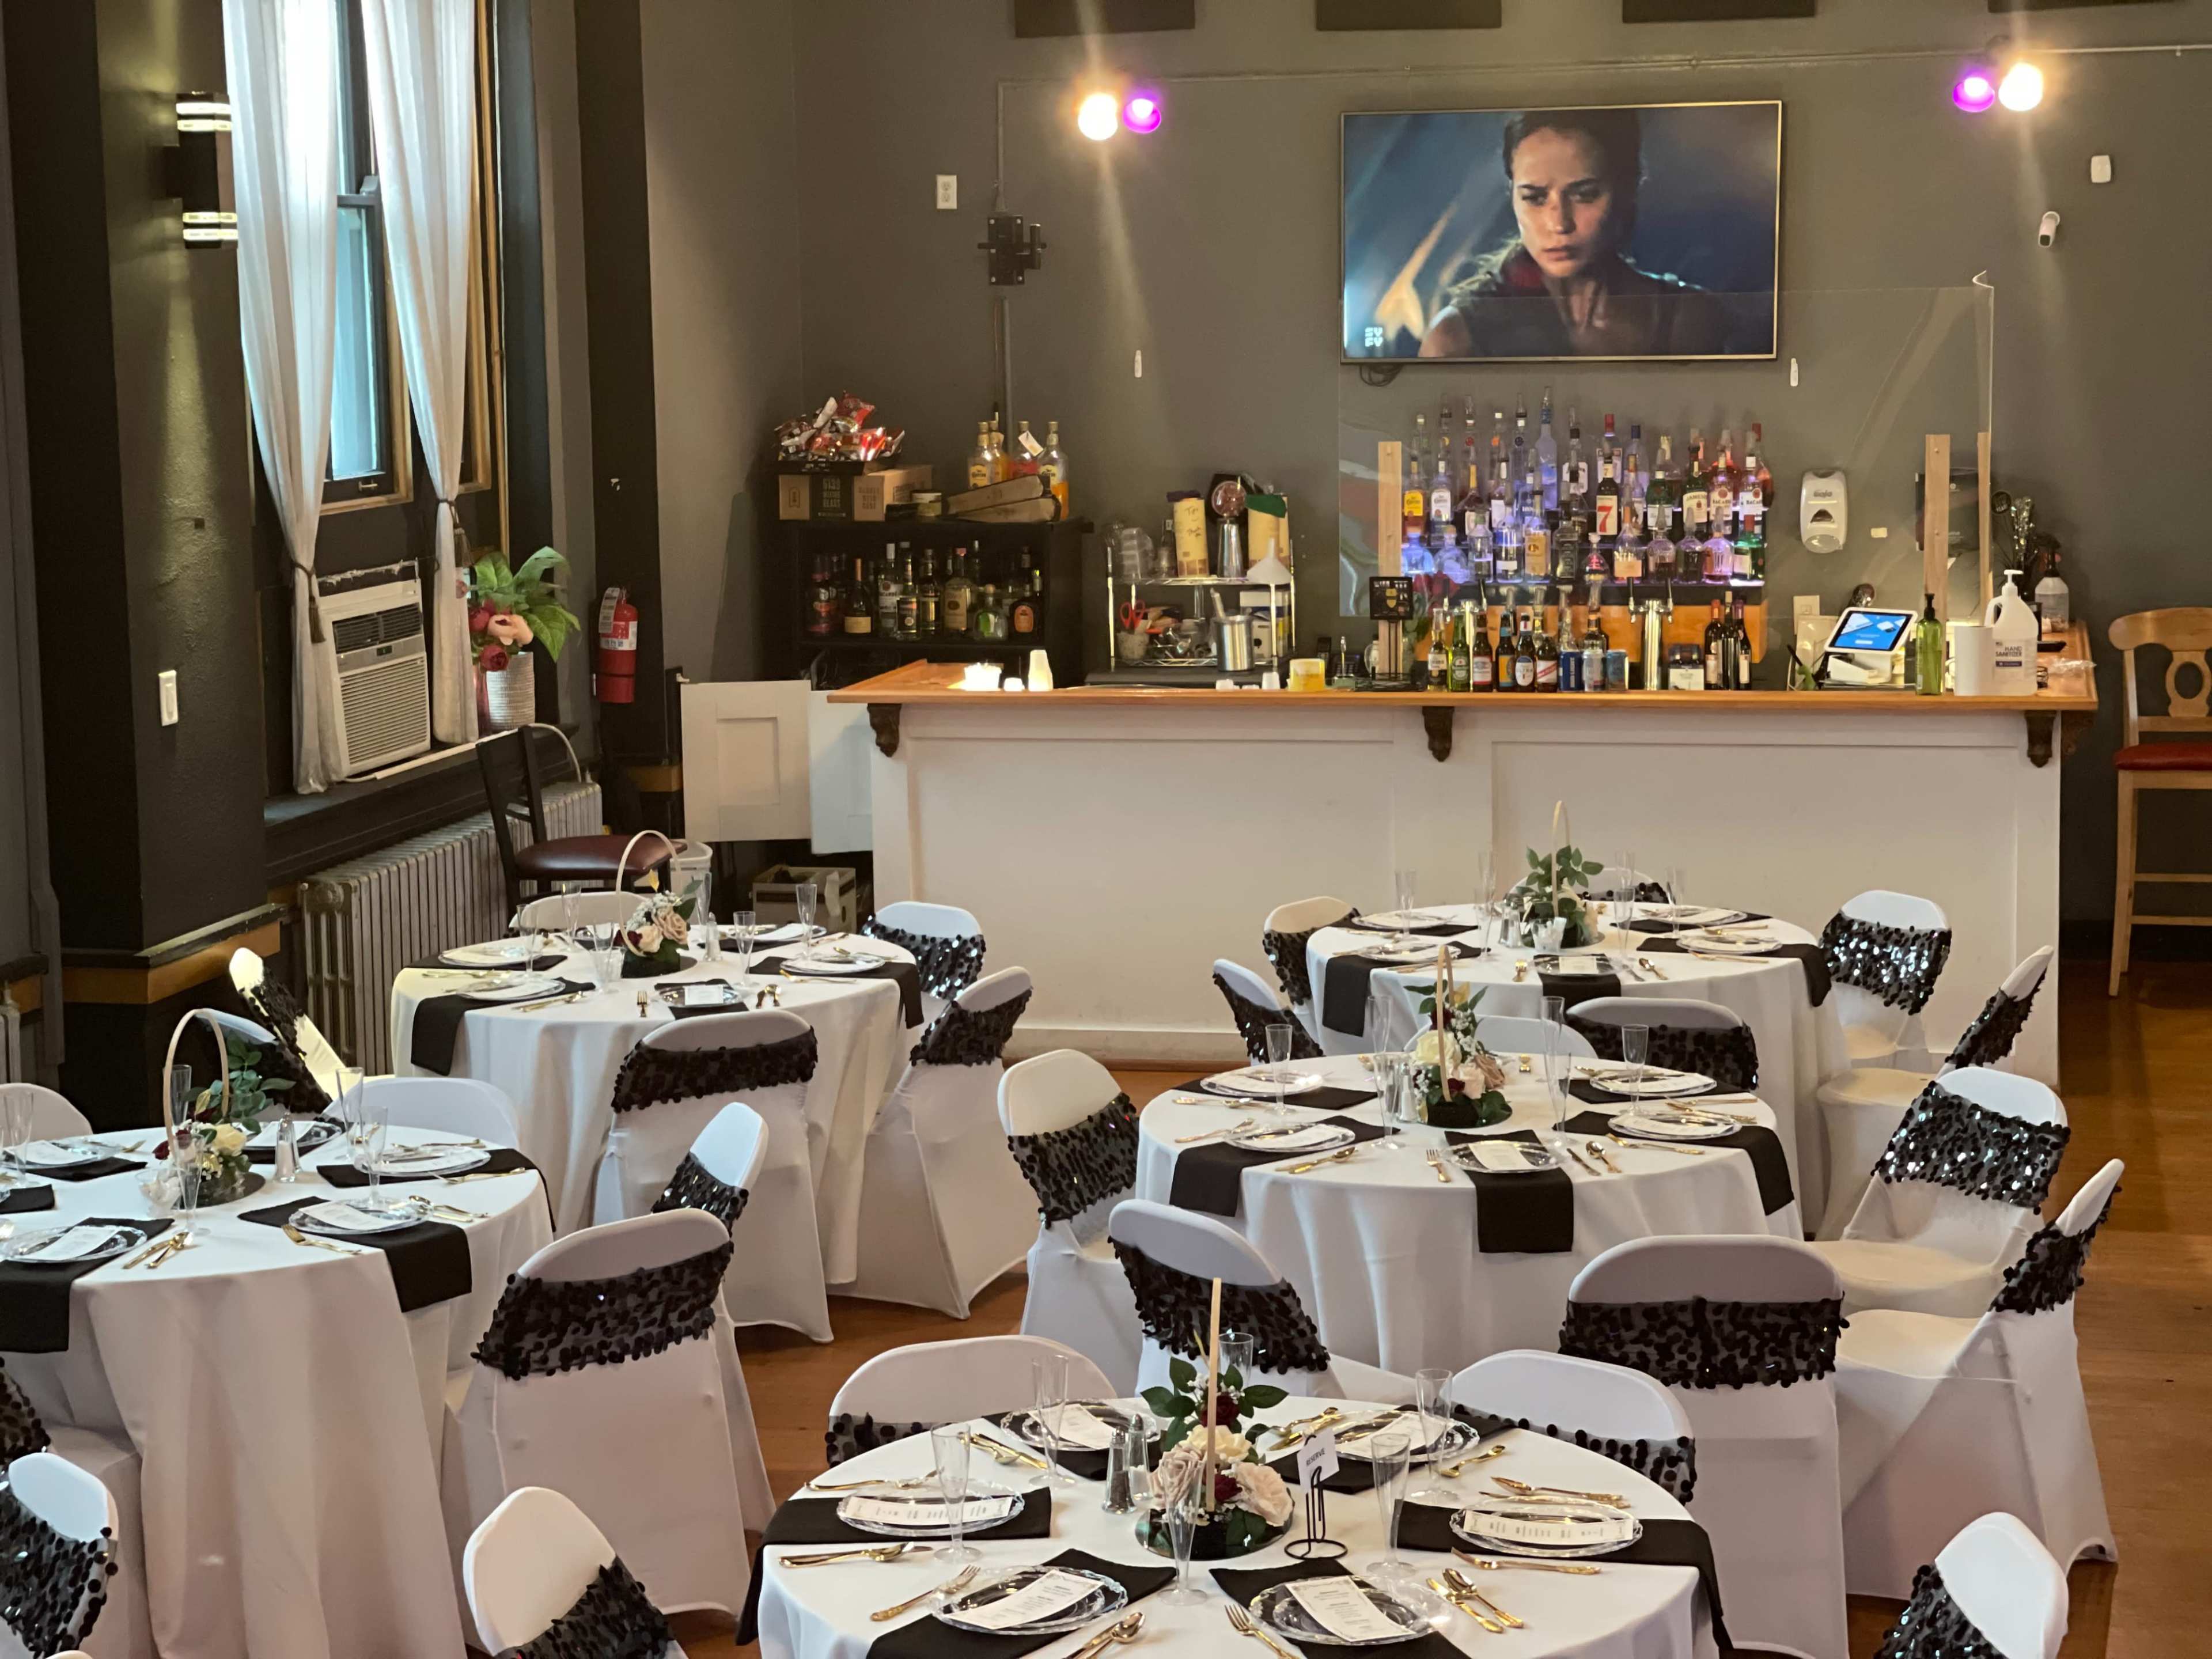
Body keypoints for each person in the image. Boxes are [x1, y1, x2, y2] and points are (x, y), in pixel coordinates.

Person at [1419, 108, 1755, 359]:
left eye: (1585, 194)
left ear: (1627, 187)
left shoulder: (1690, 319)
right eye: (1535, 198)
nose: (1559, 223)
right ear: (1513, 197)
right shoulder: (1455, 338)